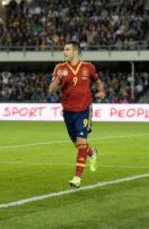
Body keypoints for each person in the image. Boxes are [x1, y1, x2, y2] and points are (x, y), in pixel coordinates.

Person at [49, 41, 105, 188]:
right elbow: (51, 91)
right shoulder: (59, 68)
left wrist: (101, 91)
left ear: (75, 51)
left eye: (67, 49)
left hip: (84, 110)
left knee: (81, 144)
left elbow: (98, 82)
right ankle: (92, 153)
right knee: (78, 144)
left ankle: (77, 178)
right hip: (68, 111)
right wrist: (57, 80)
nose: (64, 52)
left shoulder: (88, 67)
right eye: (64, 49)